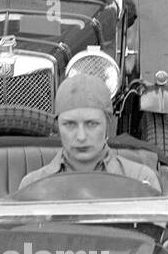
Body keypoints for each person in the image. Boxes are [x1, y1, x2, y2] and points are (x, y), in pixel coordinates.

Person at [18, 74, 160, 191]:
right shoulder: (32, 186)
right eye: (70, 124)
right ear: (57, 126)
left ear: (108, 123)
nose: (81, 136)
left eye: (91, 124)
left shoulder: (140, 180)